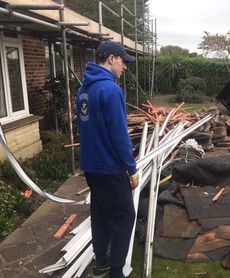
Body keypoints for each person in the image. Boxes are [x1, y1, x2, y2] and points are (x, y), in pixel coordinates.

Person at [77, 40, 139, 278]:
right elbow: (119, 135)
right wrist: (130, 168)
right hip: (110, 168)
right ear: (112, 58)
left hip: (91, 166)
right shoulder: (111, 90)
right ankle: (115, 272)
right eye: (123, 61)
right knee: (125, 217)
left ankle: (100, 264)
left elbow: (88, 129)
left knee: (101, 214)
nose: (125, 67)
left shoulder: (84, 89)